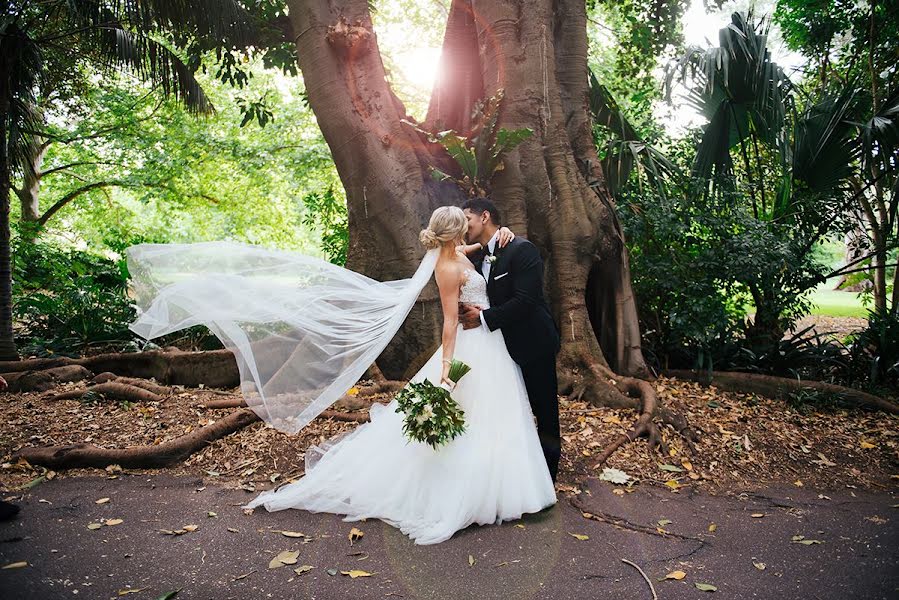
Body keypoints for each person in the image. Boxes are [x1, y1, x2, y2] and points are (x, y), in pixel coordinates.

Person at [127, 207, 555, 545]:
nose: (471, 231)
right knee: (470, 416)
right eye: (465, 226)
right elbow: (447, 321)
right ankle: (467, 493)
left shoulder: (460, 255)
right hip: (465, 348)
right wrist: (445, 370)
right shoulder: (447, 268)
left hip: (490, 347)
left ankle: (504, 485)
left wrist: (501, 239)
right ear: (457, 233)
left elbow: (481, 255)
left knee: (493, 416)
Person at [459, 198, 562, 482]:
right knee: (511, 410)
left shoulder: (522, 250)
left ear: (484, 216)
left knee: (545, 410)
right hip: (500, 348)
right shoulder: (480, 256)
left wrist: (482, 318)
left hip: (534, 343)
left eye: (467, 218)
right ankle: (518, 472)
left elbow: (526, 301)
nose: (463, 224)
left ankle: (548, 478)